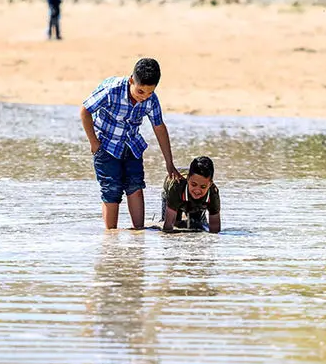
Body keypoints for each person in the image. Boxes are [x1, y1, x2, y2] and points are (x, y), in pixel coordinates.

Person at [80, 58, 182, 230]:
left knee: (135, 185)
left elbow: (159, 128)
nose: (144, 97)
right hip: (106, 146)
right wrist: (94, 143)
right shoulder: (112, 90)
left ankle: (138, 233)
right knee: (111, 189)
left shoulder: (151, 100)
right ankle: (111, 237)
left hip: (132, 145)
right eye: (140, 91)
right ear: (131, 80)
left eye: (149, 93)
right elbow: (85, 111)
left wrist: (169, 163)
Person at [161, 156, 221, 233]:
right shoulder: (176, 187)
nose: (197, 190)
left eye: (203, 187)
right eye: (194, 184)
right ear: (188, 179)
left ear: (210, 184)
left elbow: (215, 229)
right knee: (176, 224)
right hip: (173, 193)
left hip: (198, 201)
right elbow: (168, 227)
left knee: (197, 226)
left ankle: (189, 218)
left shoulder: (213, 194)